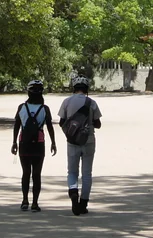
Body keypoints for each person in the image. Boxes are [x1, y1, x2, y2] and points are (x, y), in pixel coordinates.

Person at [57, 75, 103, 215]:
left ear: (74, 88)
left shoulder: (66, 101)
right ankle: (83, 203)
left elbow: (61, 122)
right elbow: (98, 124)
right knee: (87, 174)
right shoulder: (92, 102)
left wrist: (70, 133)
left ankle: (73, 192)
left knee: (72, 171)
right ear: (86, 89)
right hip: (88, 139)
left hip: (72, 141)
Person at [10, 79, 56, 212]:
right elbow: (50, 127)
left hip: (23, 143)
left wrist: (14, 142)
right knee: (36, 174)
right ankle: (35, 203)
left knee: (25, 173)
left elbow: (17, 126)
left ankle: (25, 200)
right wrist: (53, 142)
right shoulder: (45, 109)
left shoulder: (22, 107)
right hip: (39, 144)